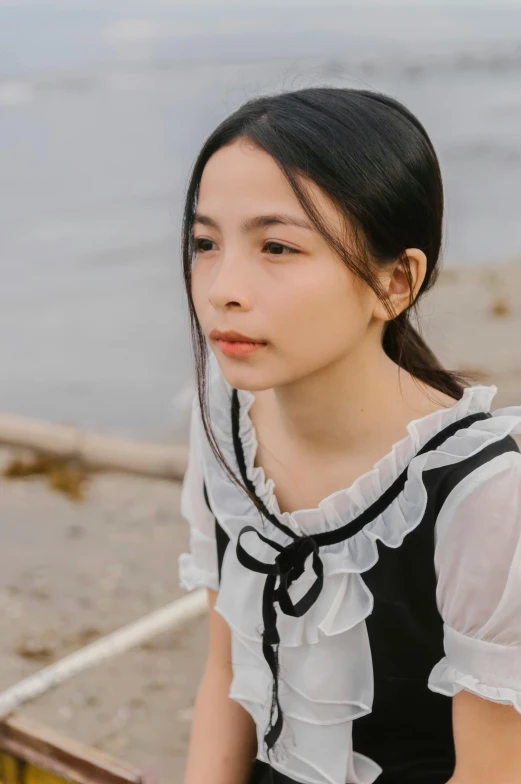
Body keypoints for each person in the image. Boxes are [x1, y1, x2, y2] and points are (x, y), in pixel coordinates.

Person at [177, 87, 521, 784]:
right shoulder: (222, 418)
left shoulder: (485, 494)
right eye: (205, 243)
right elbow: (225, 675)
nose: (222, 288)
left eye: (276, 246)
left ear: (395, 282)